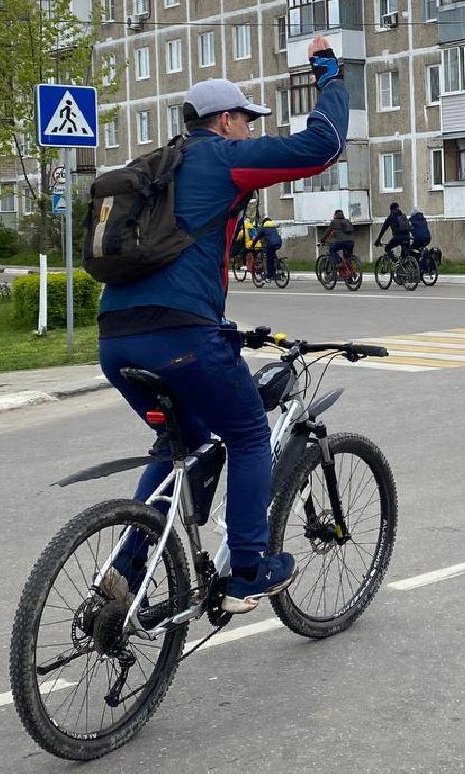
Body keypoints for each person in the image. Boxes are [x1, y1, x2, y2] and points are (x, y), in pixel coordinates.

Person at [96, 35, 347, 614]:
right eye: (245, 119)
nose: (248, 129)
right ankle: (249, 572)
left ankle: (127, 571)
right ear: (226, 120)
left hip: (115, 338)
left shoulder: (154, 168)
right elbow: (323, 145)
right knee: (249, 433)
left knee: (180, 438)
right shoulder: (220, 158)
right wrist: (328, 75)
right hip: (181, 338)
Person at [246, 215, 282, 280]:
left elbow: (257, 238)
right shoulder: (274, 228)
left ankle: (269, 276)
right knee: (273, 255)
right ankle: (279, 269)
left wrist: (253, 245)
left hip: (271, 244)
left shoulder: (264, 229)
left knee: (269, 259)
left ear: (264, 223)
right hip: (279, 243)